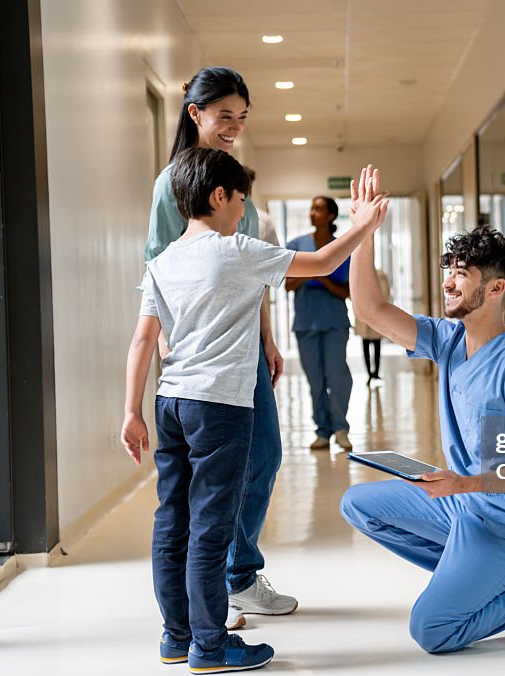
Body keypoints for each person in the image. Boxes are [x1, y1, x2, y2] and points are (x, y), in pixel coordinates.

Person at [121, 149, 388, 672]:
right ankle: (210, 646)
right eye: (241, 199)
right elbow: (322, 263)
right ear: (220, 197)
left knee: (171, 520)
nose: (243, 209)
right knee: (211, 526)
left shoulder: (162, 261)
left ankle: (176, 637)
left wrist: (131, 412)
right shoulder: (236, 250)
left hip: (170, 401)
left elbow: (142, 341)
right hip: (219, 405)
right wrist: (363, 225)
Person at [341, 167, 505, 653]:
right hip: (465, 505)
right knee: (357, 505)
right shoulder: (447, 339)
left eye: (463, 273)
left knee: (432, 631)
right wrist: (363, 232)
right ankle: (476, 572)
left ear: (497, 288)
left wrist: (465, 483)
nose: (449, 281)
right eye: (450, 270)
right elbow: (370, 309)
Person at [144, 67, 292, 630]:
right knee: (206, 483)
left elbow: (247, 271)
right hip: (199, 355)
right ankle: (221, 589)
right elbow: (156, 272)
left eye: (241, 117)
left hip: (245, 345)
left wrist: (268, 337)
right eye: (224, 115)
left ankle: (239, 575)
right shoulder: (172, 185)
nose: (233, 126)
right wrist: (169, 356)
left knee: (267, 455)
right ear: (195, 113)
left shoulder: (237, 182)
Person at [285, 196, 356, 451]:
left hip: (334, 322)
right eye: (311, 209)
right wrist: (313, 272)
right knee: (315, 380)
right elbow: (288, 284)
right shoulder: (297, 245)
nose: (312, 213)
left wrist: (323, 276)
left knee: (336, 375)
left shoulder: (341, 248)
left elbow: (346, 291)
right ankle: (322, 431)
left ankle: (340, 427)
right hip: (306, 323)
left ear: (331, 216)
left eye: (318, 209)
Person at [353, 268, 390, 386]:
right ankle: (369, 374)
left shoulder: (381, 275)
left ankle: (376, 373)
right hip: (363, 316)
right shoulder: (358, 274)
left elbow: (385, 294)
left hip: (376, 315)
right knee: (365, 346)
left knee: (377, 347)